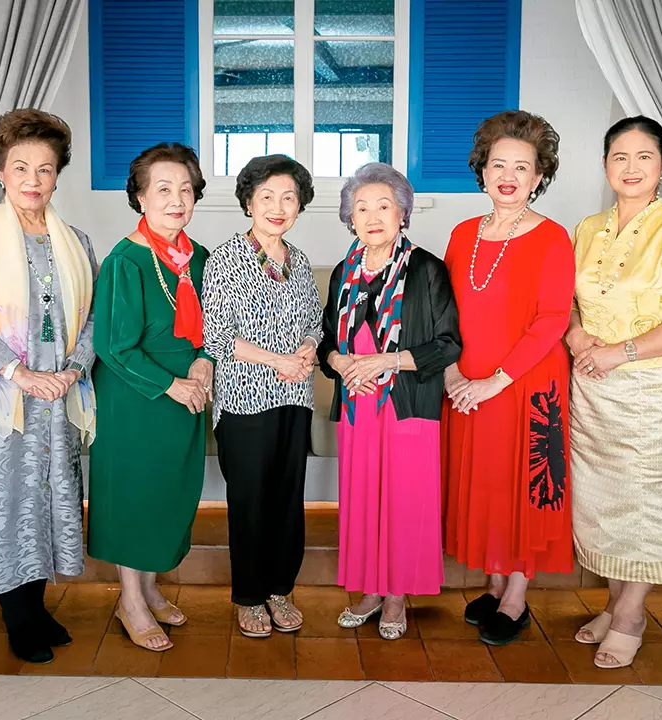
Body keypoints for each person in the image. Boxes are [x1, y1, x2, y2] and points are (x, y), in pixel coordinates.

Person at [567, 116, 662, 669]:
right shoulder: (587, 229)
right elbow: (566, 302)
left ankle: (631, 613)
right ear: (605, 165)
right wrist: (577, 335)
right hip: (592, 386)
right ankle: (613, 603)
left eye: (644, 157)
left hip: (655, 390)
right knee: (601, 503)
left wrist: (621, 352)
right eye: (620, 157)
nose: (631, 168)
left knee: (646, 502)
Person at [0, 109, 98, 664]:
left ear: (57, 175)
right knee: (6, 502)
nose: (33, 179)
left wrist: (73, 369)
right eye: (20, 167)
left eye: (45, 168)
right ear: (1, 173)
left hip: (57, 395)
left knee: (49, 500)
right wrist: (20, 374)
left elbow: (93, 318)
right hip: (0, 398)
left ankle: (35, 607)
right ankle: (17, 617)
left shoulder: (77, 241)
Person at [442, 111, 575, 647]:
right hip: (466, 383)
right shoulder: (462, 233)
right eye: (499, 164)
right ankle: (495, 583)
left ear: (539, 176)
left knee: (521, 486)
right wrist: (451, 371)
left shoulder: (552, 237)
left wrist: (496, 381)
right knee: (487, 483)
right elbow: (443, 313)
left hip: (525, 383)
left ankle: (516, 596)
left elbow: (553, 319)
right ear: (482, 169)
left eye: (522, 166)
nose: (509, 176)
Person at [320, 162, 461, 640]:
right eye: (361, 208)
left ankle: (397, 595)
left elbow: (448, 344)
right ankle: (370, 589)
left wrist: (387, 361)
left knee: (403, 501)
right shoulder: (344, 272)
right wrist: (339, 363)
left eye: (384, 206)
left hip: (406, 404)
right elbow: (326, 342)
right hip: (357, 407)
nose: (373, 216)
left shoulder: (426, 268)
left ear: (403, 213)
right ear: (350, 218)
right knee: (362, 502)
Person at [89, 143, 212, 652]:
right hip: (136, 396)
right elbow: (113, 346)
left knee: (168, 492)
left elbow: (214, 326)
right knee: (135, 494)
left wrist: (204, 362)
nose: (176, 200)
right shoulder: (125, 260)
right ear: (140, 197)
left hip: (188, 393)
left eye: (185, 189)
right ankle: (130, 599)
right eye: (163, 189)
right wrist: (172, 385)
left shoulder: (200, 257)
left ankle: (150, 587)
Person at [201, 154, 320, 638]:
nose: (278, 207)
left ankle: (280, 589)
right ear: (248, 202)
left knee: (288, 500)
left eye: (288, 197)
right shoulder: (225, 259)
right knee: (250, 501)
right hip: (245, 401)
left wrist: (308, 347)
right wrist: (278, 361)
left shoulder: (300, 261)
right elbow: (217, 337)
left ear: (299, 206)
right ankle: (249, 597)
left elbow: (314, 322)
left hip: (296, 398)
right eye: (266, 196)